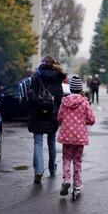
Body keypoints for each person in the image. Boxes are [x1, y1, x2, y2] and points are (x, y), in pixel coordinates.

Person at [27, 56, 67, 184]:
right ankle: (52, 169)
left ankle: (38, 172)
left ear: (42, 63)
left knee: (38, 143)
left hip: (38, 113)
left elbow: (31, 97)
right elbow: (60, 98)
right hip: (52, 114)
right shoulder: (57, 77)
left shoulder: (36, 76)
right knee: (51, 142)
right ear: (53, 64)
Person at [57, 75, 95, 196]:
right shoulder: (84, 102)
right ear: (80, 89)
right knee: (77, 160)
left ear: (70, 88)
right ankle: (77, 185)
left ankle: (66, 179)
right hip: (79, 137)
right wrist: (85, 122)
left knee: (66, 158)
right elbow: (91, 119)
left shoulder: (64, 102)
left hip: (67, 136)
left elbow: (59, 118)